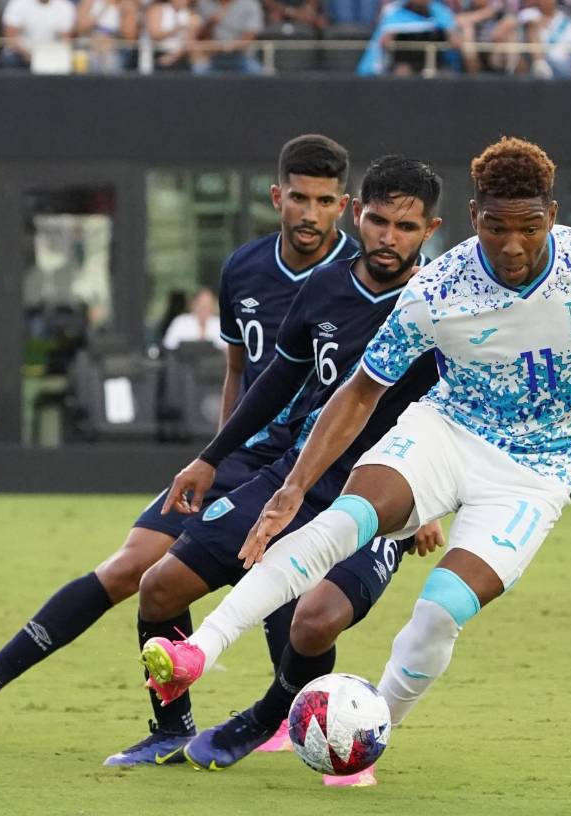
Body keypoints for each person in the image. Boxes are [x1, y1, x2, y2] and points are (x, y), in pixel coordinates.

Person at [141, 138, 571, 774]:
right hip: (447, 432)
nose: (512, 246)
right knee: (344, 518)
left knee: (440, 611)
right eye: (495, 228)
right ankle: (202, 649)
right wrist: (294, 484)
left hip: (535, 472)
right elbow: (361, 390)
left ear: (553, 215)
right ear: (471, 219)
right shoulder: (438, 288)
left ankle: (367, 732)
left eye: (528, 227)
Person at [0, 135, 358, 767]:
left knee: (284, 588)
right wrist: (218, 454)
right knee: (130, 569)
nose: (310, 214)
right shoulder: (244, 269)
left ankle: (283, 716)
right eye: (300, 198)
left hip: (317, 470)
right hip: (243, 458)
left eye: (325, 201)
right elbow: (238, 370)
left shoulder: (364, 278)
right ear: (277, 196)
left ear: (345, 206)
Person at [135, 155, 443, 787]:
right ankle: (170, 731)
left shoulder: (442, 304)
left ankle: (273, 716)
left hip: (386, 493)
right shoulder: (327, 287)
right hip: (295, 474)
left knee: (315, 618)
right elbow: (276, 380)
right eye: (379, 220)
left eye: (406, 228)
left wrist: (432, 504)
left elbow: (462, 410)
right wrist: (211, 456)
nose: (389, 237)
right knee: (159, 588)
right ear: (358, 215)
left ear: (430, 230)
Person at [1, 0, 78, 69]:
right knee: (10, 60)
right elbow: (10, 38)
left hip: (51, 56)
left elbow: (65, 40)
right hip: (21, 55)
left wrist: (45, 57)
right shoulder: (17, 3)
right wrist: (29, 55)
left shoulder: (65, 6)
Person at [162, 287, 228, 351]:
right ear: (194, 304)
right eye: (201, 304)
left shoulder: (221, 324)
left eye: (208, 304)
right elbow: (168, 347)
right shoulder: (180, 322)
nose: (204, 308)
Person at [147, 0, 201, 70]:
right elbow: (154, 35)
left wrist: (173, 57)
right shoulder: (158, 9)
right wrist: (176, 29)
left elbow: (190, 40)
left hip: (180, 56)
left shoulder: (191, 14)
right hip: (157, 54)